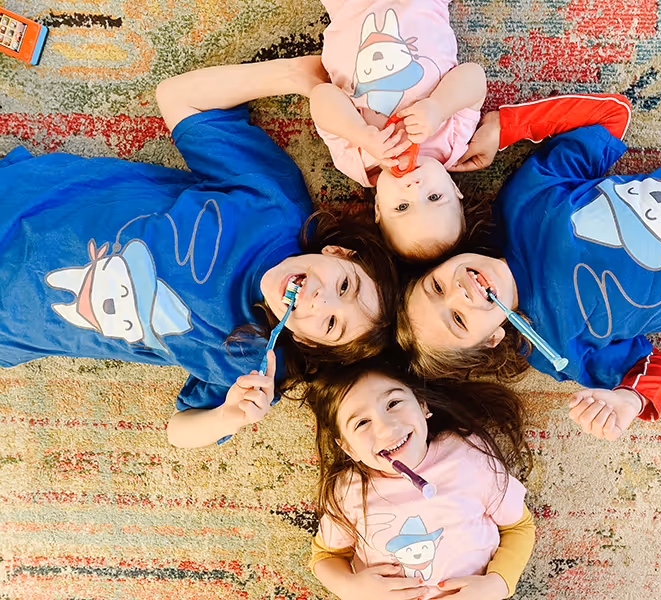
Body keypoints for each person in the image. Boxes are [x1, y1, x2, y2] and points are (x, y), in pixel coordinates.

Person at [0, 57, 398, 449]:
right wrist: (299, 76)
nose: (319, 300)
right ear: (339, 252)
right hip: (21, 203)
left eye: (330, 324)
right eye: (344, 285)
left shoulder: (256, 365)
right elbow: (178, 98)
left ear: (308, 343)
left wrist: (229, 415)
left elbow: (179, 430)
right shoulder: (274, 206)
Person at [398, 93, 661, 441]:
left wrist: (505, 127)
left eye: (436, 286)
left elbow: (612, 116)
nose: (460, 293)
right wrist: (627, 399)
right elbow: (649, 366)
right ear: (490, 339)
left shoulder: (524, 204)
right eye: (458, 319)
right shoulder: (555, 349)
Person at [306, 357, 535, 600]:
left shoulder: (469, 457)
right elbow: (325, 556)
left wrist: (498, 584)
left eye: (393, 403)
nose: (386, 428)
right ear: (349, 449)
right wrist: (350, 588)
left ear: (422, 405)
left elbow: (519, 526)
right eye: (362, 422)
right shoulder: (349, 492)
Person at [305, 0, 487, 260]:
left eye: (402, 206)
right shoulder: (453, 143)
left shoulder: (359, 163)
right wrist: (438, 107)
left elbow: (321, 97)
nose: (415, 187)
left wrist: (360, 133)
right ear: (454, 190)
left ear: (378, 208)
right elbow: (475, 78)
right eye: (434, 197)